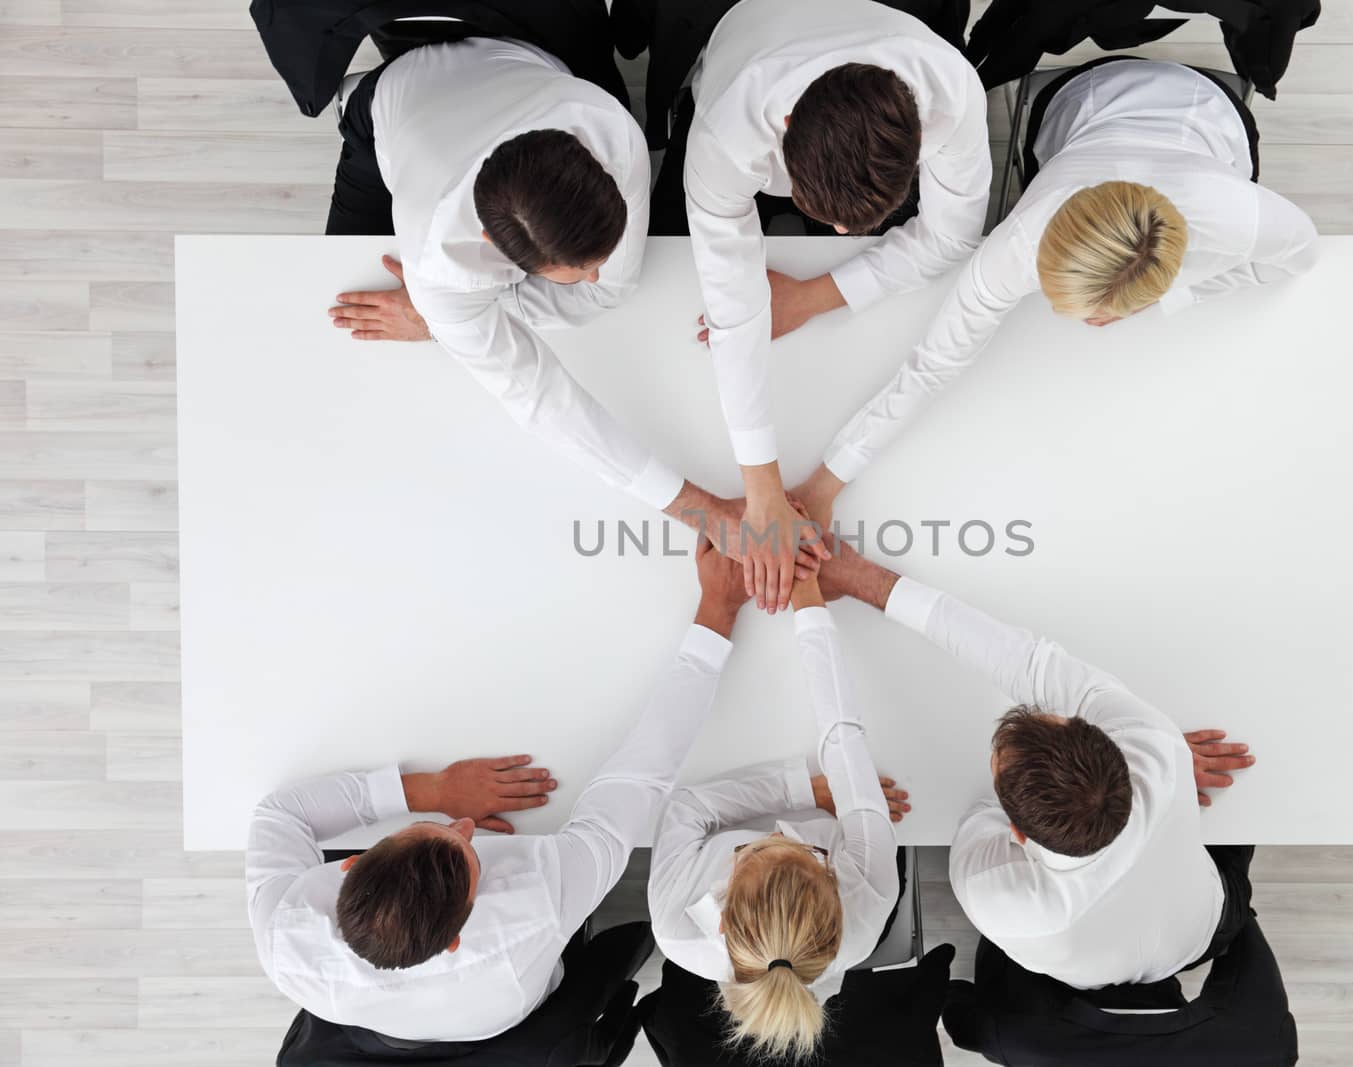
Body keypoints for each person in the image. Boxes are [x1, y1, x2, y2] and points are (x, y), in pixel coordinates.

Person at [245, 537, 752, 1043]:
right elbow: (642, 777)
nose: (464, 825)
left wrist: (435, 790)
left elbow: (279, 816)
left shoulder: (283, 936)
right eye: (470, 849)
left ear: (354, 864)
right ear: (458, 937)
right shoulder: (534, 909)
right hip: (504, 1017)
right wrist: (716, 612)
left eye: (437, 829)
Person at [792, 56, 1319, 531]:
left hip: (1211, 115)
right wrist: (827, 481)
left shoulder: (1240, 216)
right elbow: (933, 365)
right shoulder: (1017, 245)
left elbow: (1298, 259)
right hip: (1089, 95)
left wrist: (1173, 297)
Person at [323, 35, 781, 563]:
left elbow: (612, 290)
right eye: (575, 272)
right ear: (494, 248)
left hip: (517, 57)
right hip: (394, 111)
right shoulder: (437, 263)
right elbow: (543, 400)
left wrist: (442, 324)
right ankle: (354, 94)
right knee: (340, 280)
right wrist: (700, 510)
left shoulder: (611, 132)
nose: (593, 279)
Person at [813, 536, 1258, 989]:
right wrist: (1171, 764)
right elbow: (1029, 664)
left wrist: (1170, 769)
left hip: (1184, 935)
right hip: (1203, 916)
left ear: (1018, 833)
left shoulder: (995, 892)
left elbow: (978, 815)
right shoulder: (1157, 746)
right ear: (1112, 747)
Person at [680, 0, 991, 613]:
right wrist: (762, 488)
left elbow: (953, 235)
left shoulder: (951, 90)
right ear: (788, 124)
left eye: (856, 225)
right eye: (832, 220)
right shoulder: (726, 135)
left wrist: (812, 296)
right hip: (749, 27)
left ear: (919, 132)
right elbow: (736, 311)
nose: (845, 238)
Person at [647, 569, 912, 1059]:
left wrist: (797, 789)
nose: (770, 833)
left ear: (722, 920)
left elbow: (687, 808)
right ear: (837, 893)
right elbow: (841, 731)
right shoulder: (869, 897)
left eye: (748, 851)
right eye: (807, 851)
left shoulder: (674, 927)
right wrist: (807, 592)